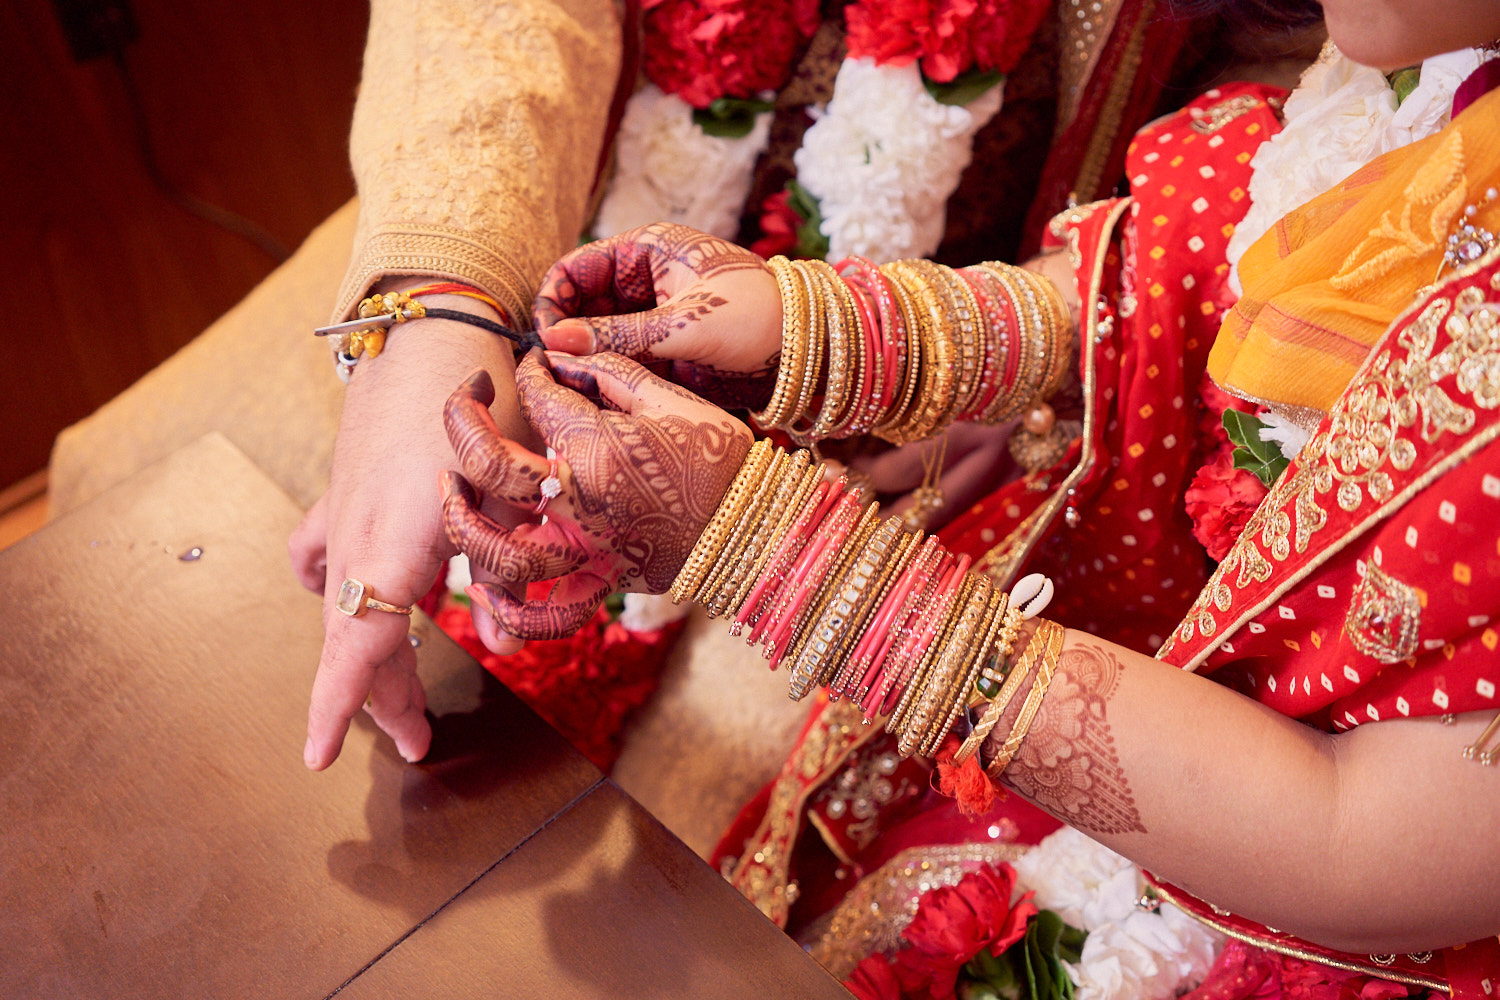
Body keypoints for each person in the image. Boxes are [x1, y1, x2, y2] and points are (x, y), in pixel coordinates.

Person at [422, 1, 1500, 994]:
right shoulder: (1437, 60)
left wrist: (775, 552)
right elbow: (1197, 268)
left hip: (1286, 888)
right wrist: (818, 332)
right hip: (1152, 667)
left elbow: (1356, 841)